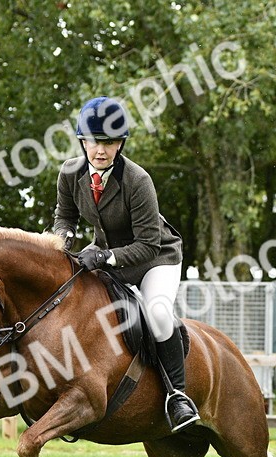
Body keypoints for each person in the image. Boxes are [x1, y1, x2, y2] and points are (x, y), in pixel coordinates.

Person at [53, 96, 198, 431]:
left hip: (155, 258)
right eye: (93, 141)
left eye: (108, 143)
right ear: (82, 141)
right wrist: (66, 239)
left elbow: (148, 243)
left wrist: (105, 257)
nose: (99, 150)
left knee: (158, 312)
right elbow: (65, 216)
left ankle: (177, 396)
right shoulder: (71, 173)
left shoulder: (137, 180)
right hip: (106, 252)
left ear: (119, 144)